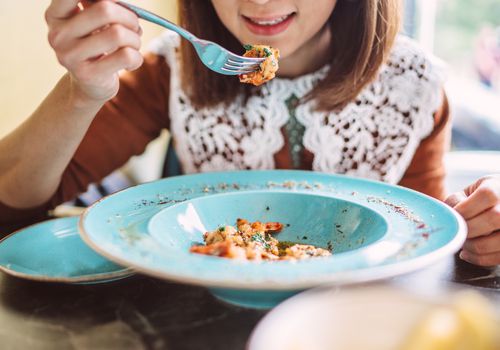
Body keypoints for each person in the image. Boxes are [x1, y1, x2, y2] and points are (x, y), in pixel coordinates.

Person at [0, 0, 499, 266]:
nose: (259, 2)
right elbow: (11, 196)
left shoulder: (413, 86)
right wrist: (82, 92)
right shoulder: (170, 69)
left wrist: (482, 233)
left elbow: (425, 246)